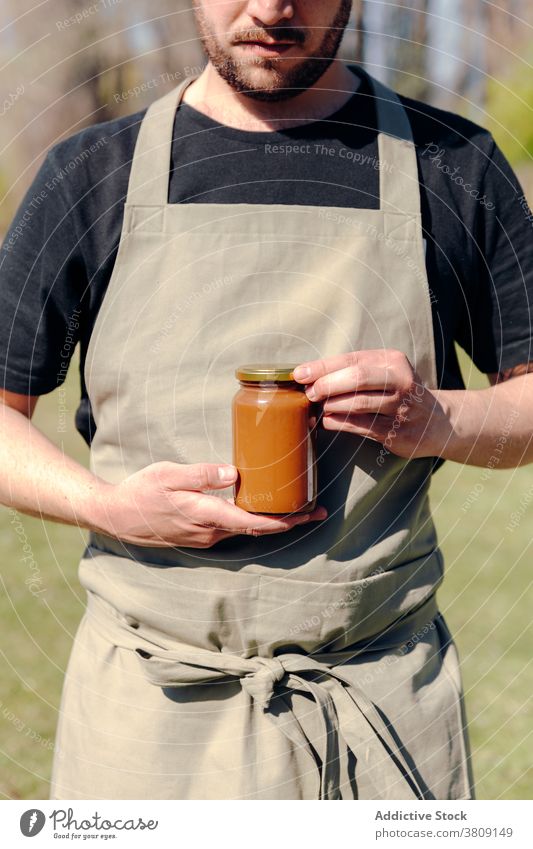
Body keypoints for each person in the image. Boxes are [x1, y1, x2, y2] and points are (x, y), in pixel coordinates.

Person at [1, 0, 532, 801]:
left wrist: (438, 419)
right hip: (148, 705)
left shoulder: (452, 164)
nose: (270, 8)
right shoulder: (88, 174)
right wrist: (108, 507)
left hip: (380, 703)